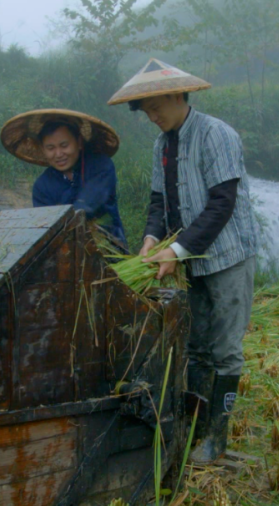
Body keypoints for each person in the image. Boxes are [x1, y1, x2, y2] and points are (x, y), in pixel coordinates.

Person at [108, 58, 260, 463]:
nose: (152, 117)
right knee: (196, 347)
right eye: (146, 111)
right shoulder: (163, 144)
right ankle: (196, 429)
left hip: (228, 256)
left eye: (156, 107)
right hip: (193, 261)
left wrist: (175, 252)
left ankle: (218, 439)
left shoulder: (215, 135)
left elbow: (222, 203)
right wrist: (151, 238)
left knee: (225, 349)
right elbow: (159, 200)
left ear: (178, 95)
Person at [0, 109, 128, 250]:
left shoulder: (101, 165)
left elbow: (87, 205)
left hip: (111, 251)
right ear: (42, 149)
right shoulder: (42, 186)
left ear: (79, 142)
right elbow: (46, 227)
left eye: (64, 145)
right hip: (66, 257)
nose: (59, 154)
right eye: (50, 148)